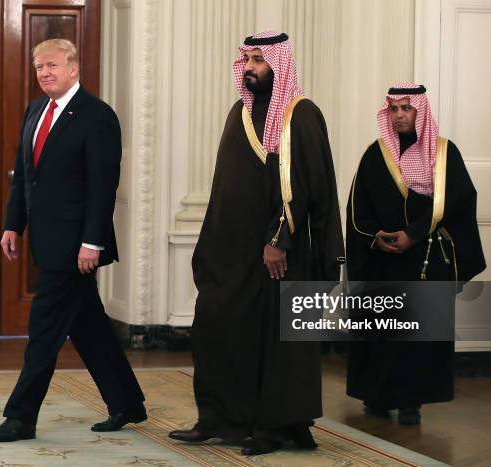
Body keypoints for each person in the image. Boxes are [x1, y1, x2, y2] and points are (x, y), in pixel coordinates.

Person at [168, 31, 344, 455]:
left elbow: (305, 186)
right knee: (217, 327)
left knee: (278, 343)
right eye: (246, 59)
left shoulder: (300, 116)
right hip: (232, 254)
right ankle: (220, 418)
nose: (250, 67)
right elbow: (227, 185)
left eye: (260, 60)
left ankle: (278, 427)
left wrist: (279, 240)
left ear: (279, 65)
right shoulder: (240, 113)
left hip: (278, 255)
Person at [0, 39, 145, 442]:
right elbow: (24, 177)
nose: (44, 73)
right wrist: (11, 224)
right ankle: (126, 402)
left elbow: (103, 187)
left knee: (44, 327)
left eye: (52, 65)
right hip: (46, 239)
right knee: (88, 324)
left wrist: (92, 243)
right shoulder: (35, 111)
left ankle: (20, 417)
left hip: (75, 246)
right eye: (39, 67)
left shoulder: (98, 116)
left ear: (74, 68)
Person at [345, 83, 485, 425]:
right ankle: (376, 397)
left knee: (418, 337)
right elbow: (357, 207)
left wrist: (413, 234)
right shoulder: (375, 154)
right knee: (381, 331)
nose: (399, 115)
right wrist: (375, 238)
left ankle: (412, 403)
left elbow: (457, 201)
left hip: (426, 261)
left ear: (420, 111)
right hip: (383, 261)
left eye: (406, 108)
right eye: (393, 109)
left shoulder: (443, 153)